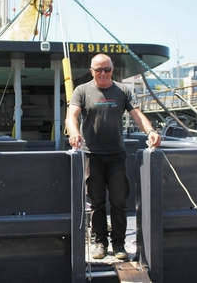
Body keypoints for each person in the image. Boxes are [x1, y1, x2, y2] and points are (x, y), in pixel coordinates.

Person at [65, 53, 161, 260]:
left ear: (112, 69)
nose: (103, 74)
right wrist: (74, 133)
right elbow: (71, 116)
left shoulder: (123, 91)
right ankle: (100, 242)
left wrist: (150, 131)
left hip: (116, 156)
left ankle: (119, 245)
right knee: (97, 202)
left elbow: (137, 115)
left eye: (107, 69)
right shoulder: (81, 90)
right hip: (93, 155)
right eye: (98, 70)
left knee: (119, 201)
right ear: (92, 71)